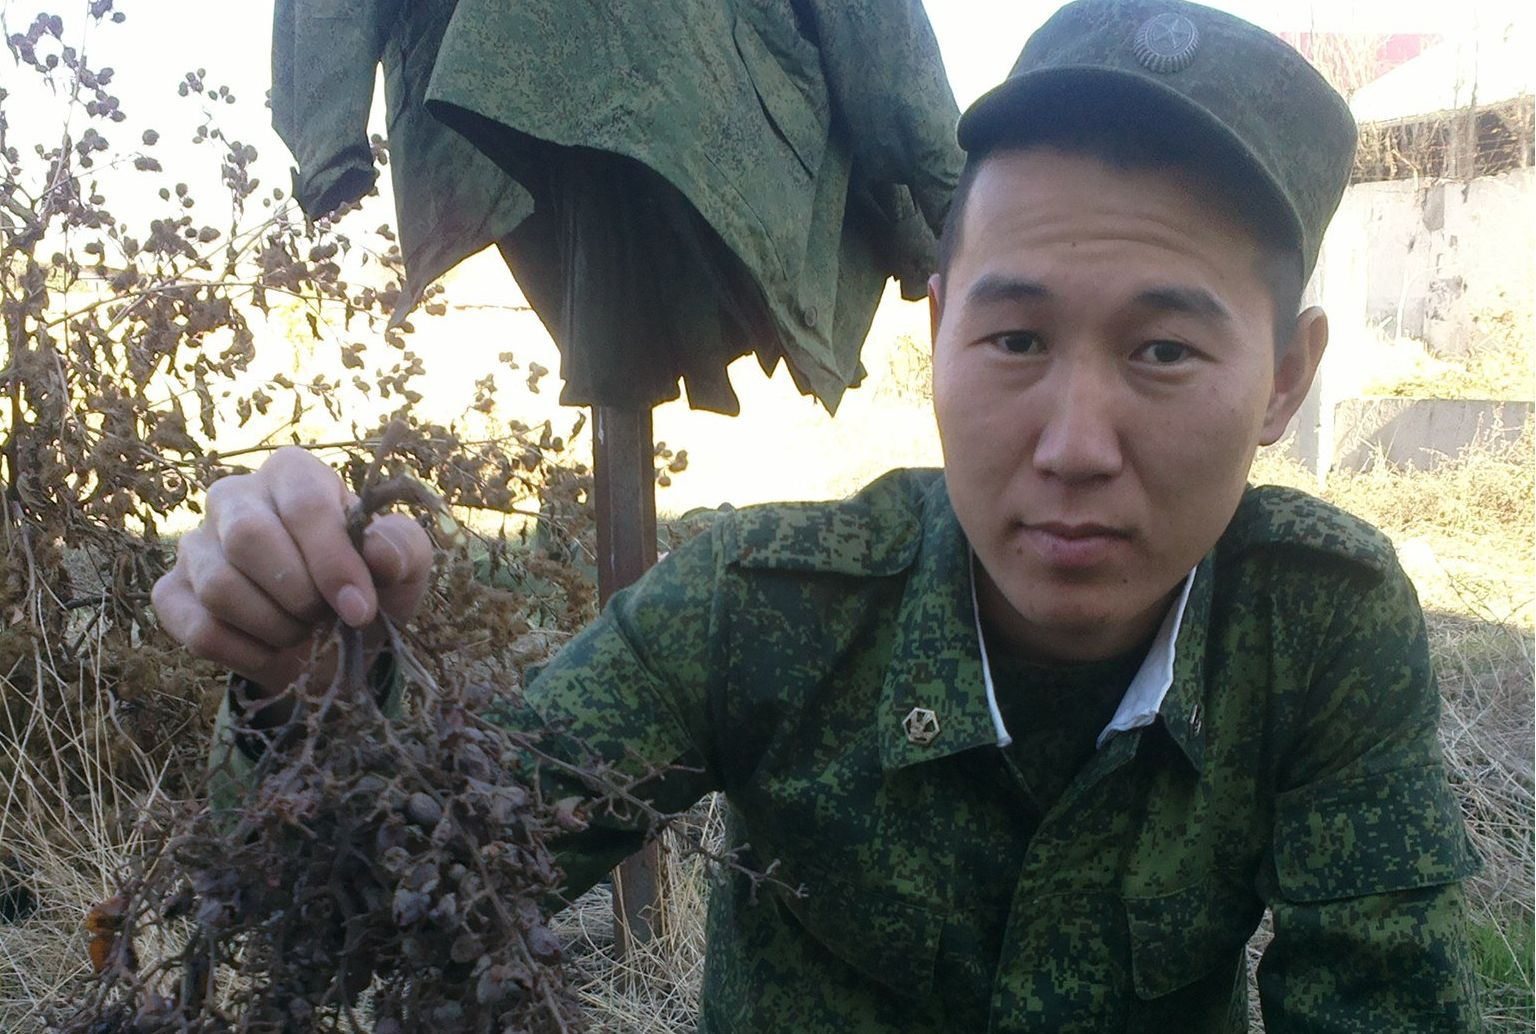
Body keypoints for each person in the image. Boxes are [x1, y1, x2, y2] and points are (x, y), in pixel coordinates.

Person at [152, 1, 1481, 1030]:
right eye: (1015, 338)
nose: (1075, 446)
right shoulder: (764, 608)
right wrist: (306, 687)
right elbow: (391, 900)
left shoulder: (1320, 629)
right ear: (943, 326)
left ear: (1286, 378)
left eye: (1166, 354)